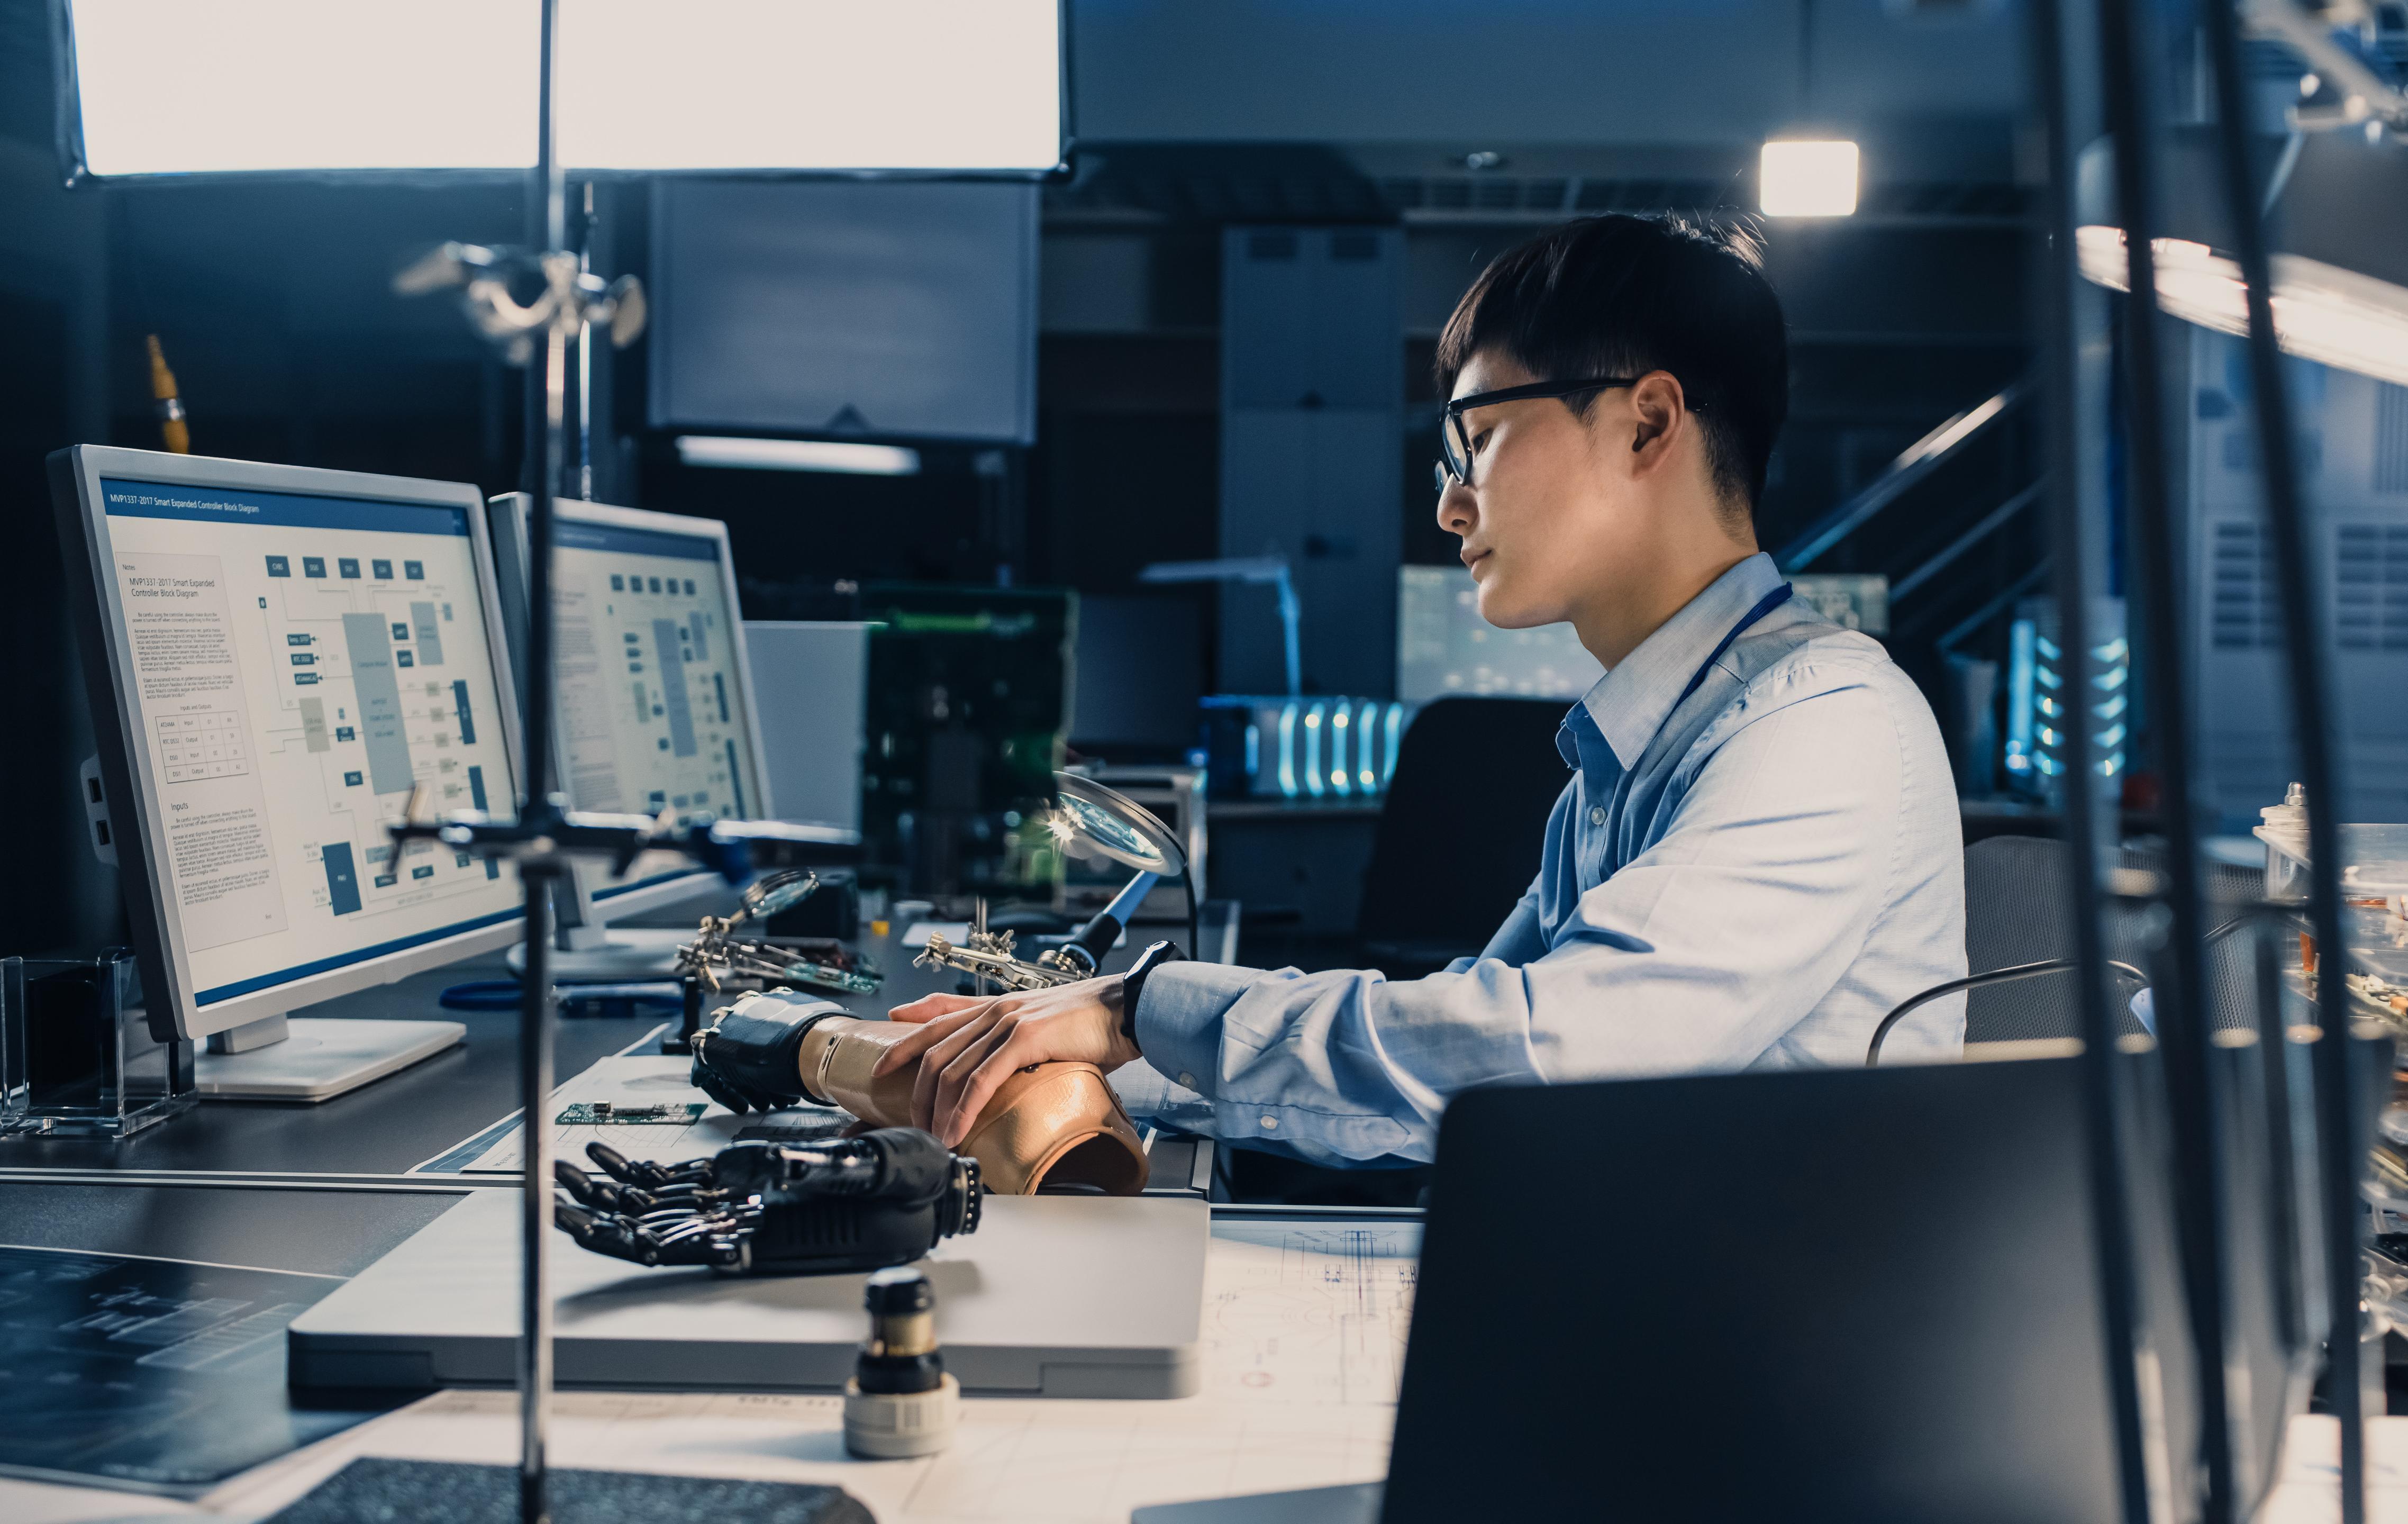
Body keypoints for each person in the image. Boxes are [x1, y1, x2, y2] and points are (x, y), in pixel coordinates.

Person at [878, 213, 1967, 1166]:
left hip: (1747, 1346)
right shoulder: (1630, 749)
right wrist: (1071, 1056)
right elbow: (1434, 1076)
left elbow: (1543, 1051)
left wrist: (1140, 1008)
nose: (1449, 505)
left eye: (1477, 440)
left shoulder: (1820, 724)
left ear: (1646, 423)